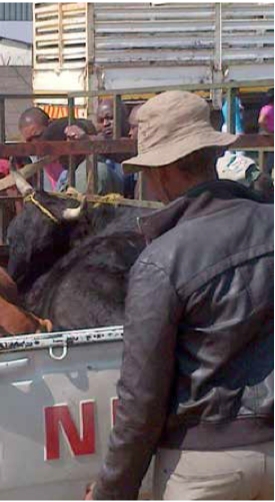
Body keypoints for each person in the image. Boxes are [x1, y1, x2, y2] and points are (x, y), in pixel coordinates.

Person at [89, 91, 273, 500]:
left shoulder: (162, 261)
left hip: (204, 465)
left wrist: (111, 491)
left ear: (166, 171)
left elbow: (141, 402)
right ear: (210, 156)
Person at [17, 106, 95, 191]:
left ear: (50, 124)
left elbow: (86, 127)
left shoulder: (68, 147)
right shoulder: (32, 162)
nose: (35, 143)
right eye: (29, 140)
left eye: (38, 136)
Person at [95, 97, 136, 197]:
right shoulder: (96, 151)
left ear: (124, 118)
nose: (105, 124)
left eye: (110, 118)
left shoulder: (133, 147)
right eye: (101, 120)